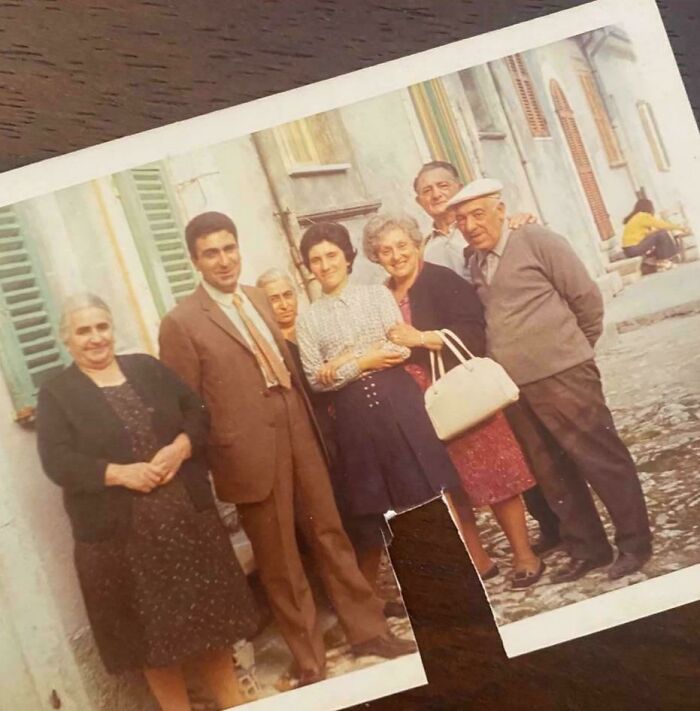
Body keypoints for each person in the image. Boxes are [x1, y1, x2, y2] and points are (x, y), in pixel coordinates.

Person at [158, 212, 415, 689]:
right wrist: (221, 456)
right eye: (211, 253)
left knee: (331, 533)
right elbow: (183, 406)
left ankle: (368, 631)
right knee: (279, 559)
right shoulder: (182, 323)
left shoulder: (256, 297)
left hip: (297, 427)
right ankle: (310, 658)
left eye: (229, 248)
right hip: (248, 452)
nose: (223, 260)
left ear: (239, 248)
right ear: (195, 260)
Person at [36, 294, 258, 711]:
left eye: (101, 327)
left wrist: (181, 446)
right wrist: (120, 473)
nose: (96, 338)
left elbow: (197, 410)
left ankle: (234, 704)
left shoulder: (146, 368)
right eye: (83, 331)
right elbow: (58, 460)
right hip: (123, 540)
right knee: (152, 641)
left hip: (186, 524)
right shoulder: (57, 393)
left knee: (213, 625)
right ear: (67, 339)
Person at [447, 178, 653, 583]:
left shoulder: (538, 240)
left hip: (564, 375)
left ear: (501, 210)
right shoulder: (475, 260)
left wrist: (572, 353)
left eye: (478, 214)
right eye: (461, 219)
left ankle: (635, 544)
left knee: (600, 459)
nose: (470, 225)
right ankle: (588, 548)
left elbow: (586, 299)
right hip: (515, 389)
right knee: (552, 471)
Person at [363, 212, 544, 588]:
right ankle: (479, 560)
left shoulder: (441, 280)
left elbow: (473, 334)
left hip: (462, 392)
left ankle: (524, 554)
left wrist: (423, 338)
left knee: (494, 474)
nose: (396, 256)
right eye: (385, 251)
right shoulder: (380, 296)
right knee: (448, 482)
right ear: (375, 257)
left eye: (402, 246)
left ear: (417, 245)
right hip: (417, 404)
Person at [413, 161, 561, 555]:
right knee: (510, 444)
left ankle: (567, 519)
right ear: (419, 201)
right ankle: (547, 526)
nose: (436, 194)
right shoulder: (422, 251)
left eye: (443, 185)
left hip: (502, 341)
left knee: (539, 437)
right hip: (468, 359)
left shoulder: (497, 226)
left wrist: (519, 221)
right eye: (427, 191)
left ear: (459, 188)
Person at [295, 222, 470, 554]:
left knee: (428, 487)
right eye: (316, 260)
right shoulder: (309, 320)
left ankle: (461, 571)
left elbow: (399, 349)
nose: (326, 265)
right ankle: (428, 584)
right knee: (387, 505)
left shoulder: (376, 295)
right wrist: (363, 361)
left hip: (399, 404)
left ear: (348, 257)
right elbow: (316, 379)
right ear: (309, 268)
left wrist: (344, 361)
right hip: (354, 418)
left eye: (332, 255)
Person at [255, 268, 394, 598]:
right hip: (306, 444)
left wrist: (344, 360)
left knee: (366, 515)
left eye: (288, 295)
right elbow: (316, 382)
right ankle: (355, 598)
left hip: (339, 437)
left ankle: (368, 593)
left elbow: (340, 370)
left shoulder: (309, 332)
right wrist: (338, 365)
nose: (284, 304)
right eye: (273, 298)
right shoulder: (267, 349)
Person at [621, 198, 686, 270]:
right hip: (634, 248)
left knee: (658, 234)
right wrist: (680, 228)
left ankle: (658, 261)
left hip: (629, 250)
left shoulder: (635, 217)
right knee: (662, 233)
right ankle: (665, 260)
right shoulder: (642, 216)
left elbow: (648, 234)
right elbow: (661, 224)